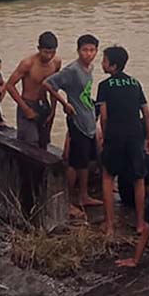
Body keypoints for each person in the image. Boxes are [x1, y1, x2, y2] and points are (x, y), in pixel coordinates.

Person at [96, 45, 149, 235]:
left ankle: (110, 224)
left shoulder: (104, 86)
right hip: (135, 134)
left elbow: (103, 116)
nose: (102, 63)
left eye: (104, 60)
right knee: (138, 178)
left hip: (115, 134)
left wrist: (104, 136)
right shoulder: (136, 83)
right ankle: (139, 224)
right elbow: (145, 112)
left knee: (107, 176)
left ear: (112, 65)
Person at [44, 34, 101, 220]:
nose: (89, 53)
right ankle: (68, 201)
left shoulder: (89, 68)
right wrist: (64, 104)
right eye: (85, 50)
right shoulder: (72, 70)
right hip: (77, 121)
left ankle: (83, 195)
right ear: (78, 51)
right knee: (74, 163)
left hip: (88, 121)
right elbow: (48, 84)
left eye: (92, 50)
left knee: (84, 162)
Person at [4, 32, 62, 148]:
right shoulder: (28, 63)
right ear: (39, 49)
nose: (49, 56)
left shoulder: (56, 62)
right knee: (29, 143)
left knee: (44, 143)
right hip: (28, 103)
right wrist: (25, 109)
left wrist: (53, 111)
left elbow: (54, 87)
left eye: (52, 52)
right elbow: (10, 85)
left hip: (44, 105)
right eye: (46, 52)